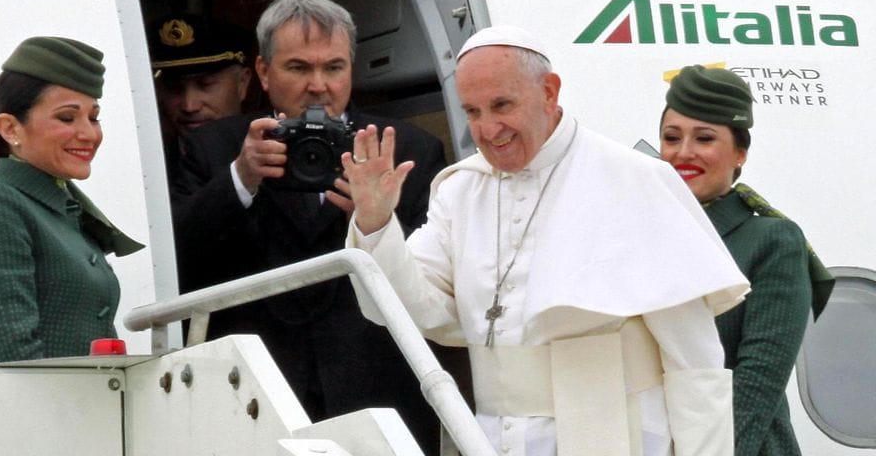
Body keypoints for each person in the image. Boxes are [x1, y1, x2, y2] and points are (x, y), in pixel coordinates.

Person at [342, 25, 750, 456]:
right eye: (473, 112)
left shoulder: (633, 179)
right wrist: (375, 221)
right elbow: (412, 310)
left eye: (501, 105)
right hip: (495, 439)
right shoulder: (461, 191)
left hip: (619, 436)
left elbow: (695, 361)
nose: (488, 128)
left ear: (550, 91)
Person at [170, 0, 462, 454]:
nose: (318, 85)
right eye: (299, 68)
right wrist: (240, 181)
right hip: (251, 395)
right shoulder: (216, 148)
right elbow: (175, 265)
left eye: (334, 67)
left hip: (377, 394)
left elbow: (439, 281)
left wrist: (374, 223)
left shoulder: (407, 148)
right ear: (263, 72)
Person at [659, 65, 834, 456]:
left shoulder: (771, 241)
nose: (683, 152)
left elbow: (756, 385)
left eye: (704, 138)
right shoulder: (641, 236)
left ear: (740, 154)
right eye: (672, 138)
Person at [0, 36, 143, 363]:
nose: (89, 134)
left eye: (93, 117)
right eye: (67, 118)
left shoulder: (61, 211)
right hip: (44, 409)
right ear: (10, 127)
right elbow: (14, 356)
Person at [147, 13, 253, 179]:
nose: (189, 106)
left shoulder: (274, 160)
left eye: (205, 85)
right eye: (174, 88)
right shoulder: (146, 165)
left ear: (242, 83)